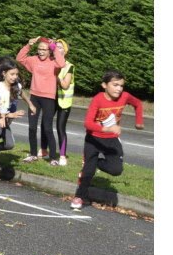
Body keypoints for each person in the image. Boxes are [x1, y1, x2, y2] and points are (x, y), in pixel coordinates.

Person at [71, 69, 144, 210]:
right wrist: (107, 129)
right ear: (104, 85)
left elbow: (138, 104)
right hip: (93, 139)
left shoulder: (125, 96)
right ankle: (80, 197)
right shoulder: (98, 99)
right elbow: (87, 123)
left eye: (121, 85)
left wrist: (139, 121)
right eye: (115, 85)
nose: (119, 89)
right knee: (87, 172)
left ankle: (94, 163)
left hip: (111, 140)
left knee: (116, 170)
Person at [17, 36, 66, 164]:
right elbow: (20, 58)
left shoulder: (54, 61)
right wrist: (28, 45)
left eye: (44, 49)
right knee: (32, 127)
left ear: (49, 51)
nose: (41, 52)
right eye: (39, 49)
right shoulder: (34, 60)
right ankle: (33, 154)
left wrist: (54, 48)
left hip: (49, 98)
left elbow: (62, 64)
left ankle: (53, 158)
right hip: (35, 97)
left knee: (48, 128)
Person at [53, 39, 75, 166]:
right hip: (51, 98)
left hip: (63, 101)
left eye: (60, 47)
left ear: (65, 51)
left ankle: (62, 155)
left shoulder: (69, 66)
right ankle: (44, 150)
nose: (57, 49)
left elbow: (66, 85)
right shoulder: (52, 63)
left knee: (60, 128)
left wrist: (55, 77)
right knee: (46, 124)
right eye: (56, 47)